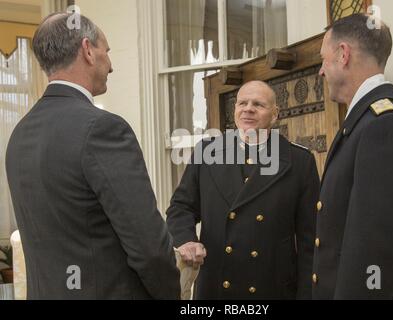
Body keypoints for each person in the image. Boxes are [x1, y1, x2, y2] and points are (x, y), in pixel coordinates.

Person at [5, 13, 180, 300]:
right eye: (106, 51)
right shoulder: (103, 128)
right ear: (87, 50)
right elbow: (149, 249)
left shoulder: (19, 134)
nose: (110, 64)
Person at [166, 80, 320, 300]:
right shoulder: (207, 152)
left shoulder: (299, 161)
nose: (248, 108)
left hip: (272, 289)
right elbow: (181, 207)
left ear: (275, 114)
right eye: (242, 103)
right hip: (216, 287)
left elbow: (310, 240)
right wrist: (186, 239)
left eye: (258, 104)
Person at [313, 13, 393, 299]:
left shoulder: (385, 125)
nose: (321, 71)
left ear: (343, 55)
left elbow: (375, 252)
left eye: (323, 59)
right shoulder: (368, 122)